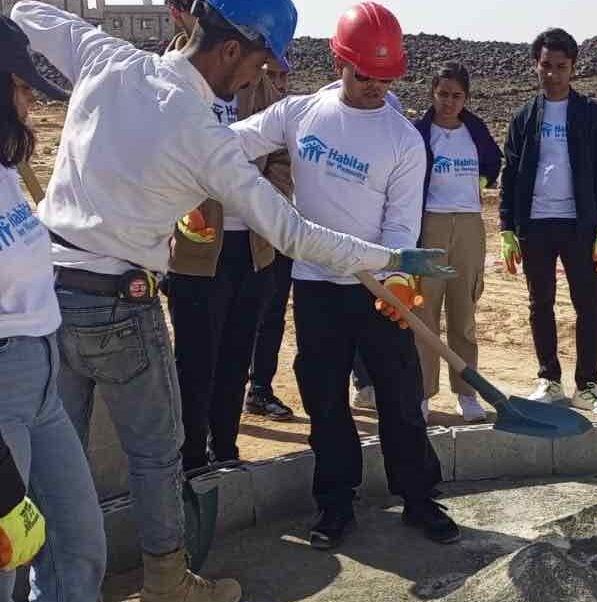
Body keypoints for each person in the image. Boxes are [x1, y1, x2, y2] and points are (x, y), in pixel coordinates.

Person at [12, 0, 451, 602]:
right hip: (119, 305)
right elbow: (292, 232)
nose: (256, 78)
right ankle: (166, 585)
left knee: (54, 463)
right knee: (157, 455)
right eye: (258, 63)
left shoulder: (108, 60)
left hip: (49, 300)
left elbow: (29, 12)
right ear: (229, 51)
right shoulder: (208, 138)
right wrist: (394, 256)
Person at [229, 1, 459, 549]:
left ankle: (420, 498)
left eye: (385, 78)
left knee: (401, 398)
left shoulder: (403, 139)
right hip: (316, 288)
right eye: (364, 75)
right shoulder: (300, 114)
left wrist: (401, 279)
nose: (374, 86)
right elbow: (230, 144)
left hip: (378, 288)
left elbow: (402, 223)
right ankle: (335, 504)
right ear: (340, 61)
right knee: (325, 398)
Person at [0, 17, 140, 602]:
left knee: (77, 546)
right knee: (4, 583)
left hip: (41, 372)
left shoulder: (5, 168)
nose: (31, 102)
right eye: (21, 88)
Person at [162, 0, 294, 472]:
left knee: (237, 356)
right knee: (196, 361)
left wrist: (258, 197)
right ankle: (193, 456)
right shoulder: (169, 80)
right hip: (197, 253)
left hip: (252, 249)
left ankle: (227, 448)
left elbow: (282, 160)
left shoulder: (259, 88)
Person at [498, 28, 597, 415]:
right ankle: (549, 380)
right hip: (535, 224)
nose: (552, 74)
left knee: (589, 304)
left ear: (573, 69)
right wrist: (506, 228)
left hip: (579, 225)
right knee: (541, 304)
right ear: (536, 65)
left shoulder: (591, 115)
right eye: (546, 65)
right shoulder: (524, 117)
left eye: (561, 67)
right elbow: (511, 174)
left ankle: (587, 386)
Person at [410, 62, 501, 423]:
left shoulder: (474, 129)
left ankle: (467, 393)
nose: (449, 102)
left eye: (457, 96)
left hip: (467, 225)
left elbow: (493, 161)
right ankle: (422, 393)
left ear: (466, 97)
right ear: (433, 93)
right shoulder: (418, 132)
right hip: (429, 223)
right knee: (424, 312)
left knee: (463, 313)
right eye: (443, 94)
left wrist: (480, 183)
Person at [244, 61, 300, 423]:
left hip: (279, 232)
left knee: (272, 315)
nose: (278, 83)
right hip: (237, 233)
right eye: (271, 75)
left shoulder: (292, 118)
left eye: (283, 76)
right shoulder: (238, 110)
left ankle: (260, 388)